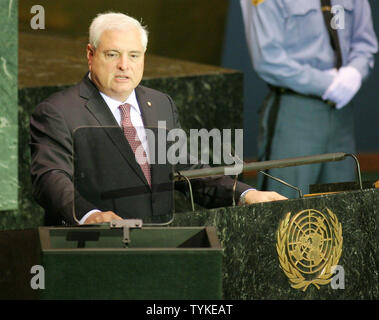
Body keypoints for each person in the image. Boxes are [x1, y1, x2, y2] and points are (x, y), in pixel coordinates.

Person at [30, 12, 286, 226]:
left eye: (134, 55)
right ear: (90, 54)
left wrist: (244, 194)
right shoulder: (58, 111)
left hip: (161, 245)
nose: (124, 65)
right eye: (112, 54)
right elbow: (51, 178)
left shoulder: (160, 104)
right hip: (96, 249)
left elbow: (185, 168)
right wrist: (89, 216)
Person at [240, 0, 378, 198]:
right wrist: (327, 84)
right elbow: (268, 58)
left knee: (342, 206)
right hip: (296, 111)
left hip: (341, 114)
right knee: (286, 207)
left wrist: (355, 73)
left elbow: (364, 43)